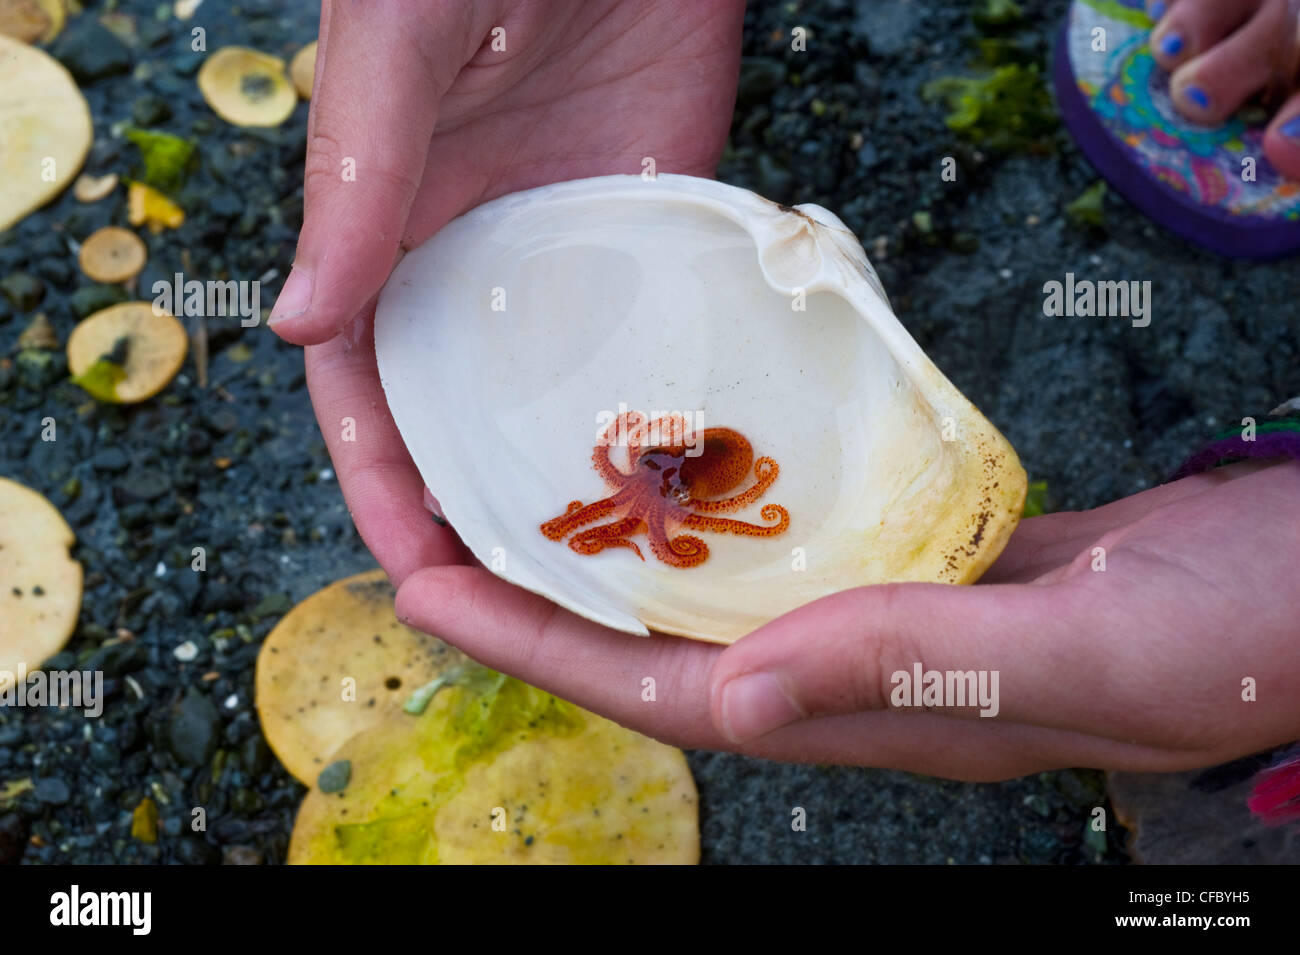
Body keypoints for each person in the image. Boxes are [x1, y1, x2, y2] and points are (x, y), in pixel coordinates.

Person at [269, 0, 1300, 818]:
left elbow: (718, 483)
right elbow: (658, 471)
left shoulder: (685, 473)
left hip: (708, 465)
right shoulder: (649, 466)